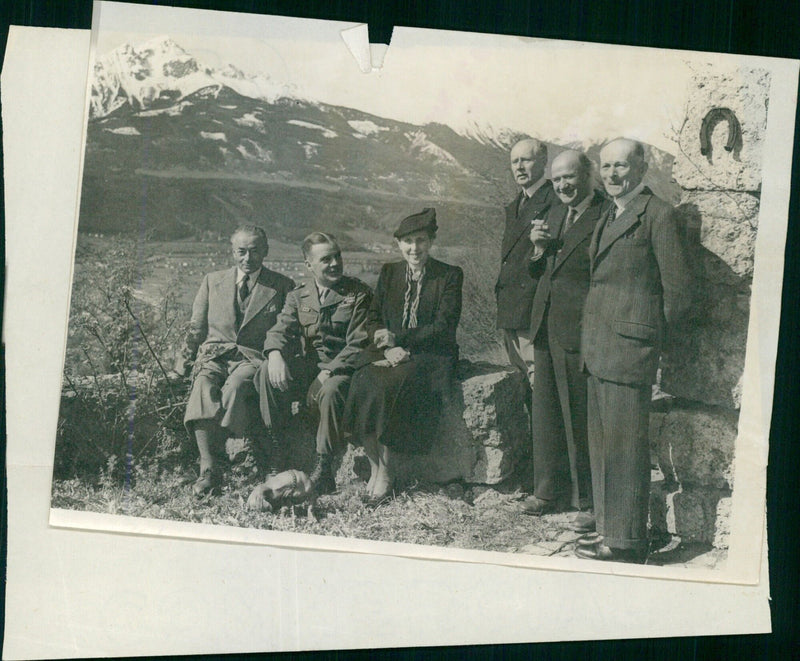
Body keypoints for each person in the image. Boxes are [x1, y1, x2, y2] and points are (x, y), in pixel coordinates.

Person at [577, 138, 693, 563]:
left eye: (621, 166)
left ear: (641, 169)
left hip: (629, 349)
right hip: (599, 348)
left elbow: (678, 291)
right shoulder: (611, 211)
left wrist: (649, 336)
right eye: (606, 167)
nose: (612, 175)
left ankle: (627, 543)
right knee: (604, 446)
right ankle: (610, 530)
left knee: (626, 449)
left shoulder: (657, 215)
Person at [344, 209, 463, 504]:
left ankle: (385, 474)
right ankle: (375, 466)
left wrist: (402, 341)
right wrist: (387, 345)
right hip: (391, 349)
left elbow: (444, 327)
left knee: (387, 386)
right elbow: (373, 317)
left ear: (431, 241)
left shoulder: (449, 276)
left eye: (420, 240)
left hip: (430, 354)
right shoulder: (389, 273)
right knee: (362, 377)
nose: (414, 248)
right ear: (399, 245)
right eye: (408, 241)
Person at [247, 232, 372, 507]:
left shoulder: (358, 294)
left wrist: (328, 371)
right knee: (266, 371)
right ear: (309, 265)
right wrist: (276, 354)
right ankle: (277, 452)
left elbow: (360, 343)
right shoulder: (299, 296)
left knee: (329, 390)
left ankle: (324, 467)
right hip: (308, 373)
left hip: (342, 372)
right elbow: (279, 329)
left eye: (337, 256)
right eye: (325, 259)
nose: (334, 263)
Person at [175, 225, 295, 497]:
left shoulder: (281, 286)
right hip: (215, 355)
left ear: (265, 251)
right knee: (203, 387)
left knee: (237, 387)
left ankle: (234, 455)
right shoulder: (212, 281)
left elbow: (287, 330)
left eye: (254, 251)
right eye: (241, 251)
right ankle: (209, 468)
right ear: (232, 252)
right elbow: (196, 327)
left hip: (252, 358)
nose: (248, 258)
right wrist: (182, 361)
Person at [519, 149, 605, 518]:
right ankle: (547, 492)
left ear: (588, 175)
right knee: (546, 414)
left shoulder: (605, 213)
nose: (563, 186)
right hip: (546, 325)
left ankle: (585, 500)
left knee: (580, 417)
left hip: (580, 329)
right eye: (556, 180)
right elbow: (539, 269)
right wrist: (537, 251)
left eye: (569, 177)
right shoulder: (554, 210)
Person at [495, 138, 558, 394]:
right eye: (514, 162)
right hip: (511, 308)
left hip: (534, 310)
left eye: (526, 160)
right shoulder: (516, 205)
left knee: (540, 382)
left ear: (543, 162)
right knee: (523, 381)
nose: (519, 167)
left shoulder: (556, 200)